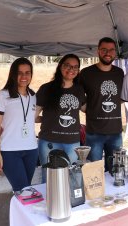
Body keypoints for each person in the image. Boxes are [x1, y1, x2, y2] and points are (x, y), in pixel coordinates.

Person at [35, 54, 86, 183]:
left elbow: (86, 109)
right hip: (49, 141)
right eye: (67, 65)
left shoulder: (79, 90)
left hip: (72, 142)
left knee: (73, 178)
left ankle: (69, 202)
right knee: (49, 179)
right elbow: (33, 116)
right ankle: (50, 202)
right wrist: (46, 119)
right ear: (60, 66)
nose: (71, 69)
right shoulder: (46, 89)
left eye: (75, 67)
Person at [0, 58, 38, 192]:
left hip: (31, 149)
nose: (24, 76)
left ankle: (19, 212)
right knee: (22, 190)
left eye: (27, 73)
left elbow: (30, 119)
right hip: (10, 151)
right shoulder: (3, 95)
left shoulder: (33, 95)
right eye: (19, 73)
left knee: (25, 189)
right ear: (13, 74)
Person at [79, 37, 124, 170]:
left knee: (116, 170)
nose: (107, 53)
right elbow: (77, 95)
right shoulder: (86, 73)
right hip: (94, 133)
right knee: (94, 172)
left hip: (115, 133)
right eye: (104, 50)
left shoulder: (119, 73)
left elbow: (123, 96)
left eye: (111, 50)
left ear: (115, 52)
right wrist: (89, 108)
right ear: (98, 51)